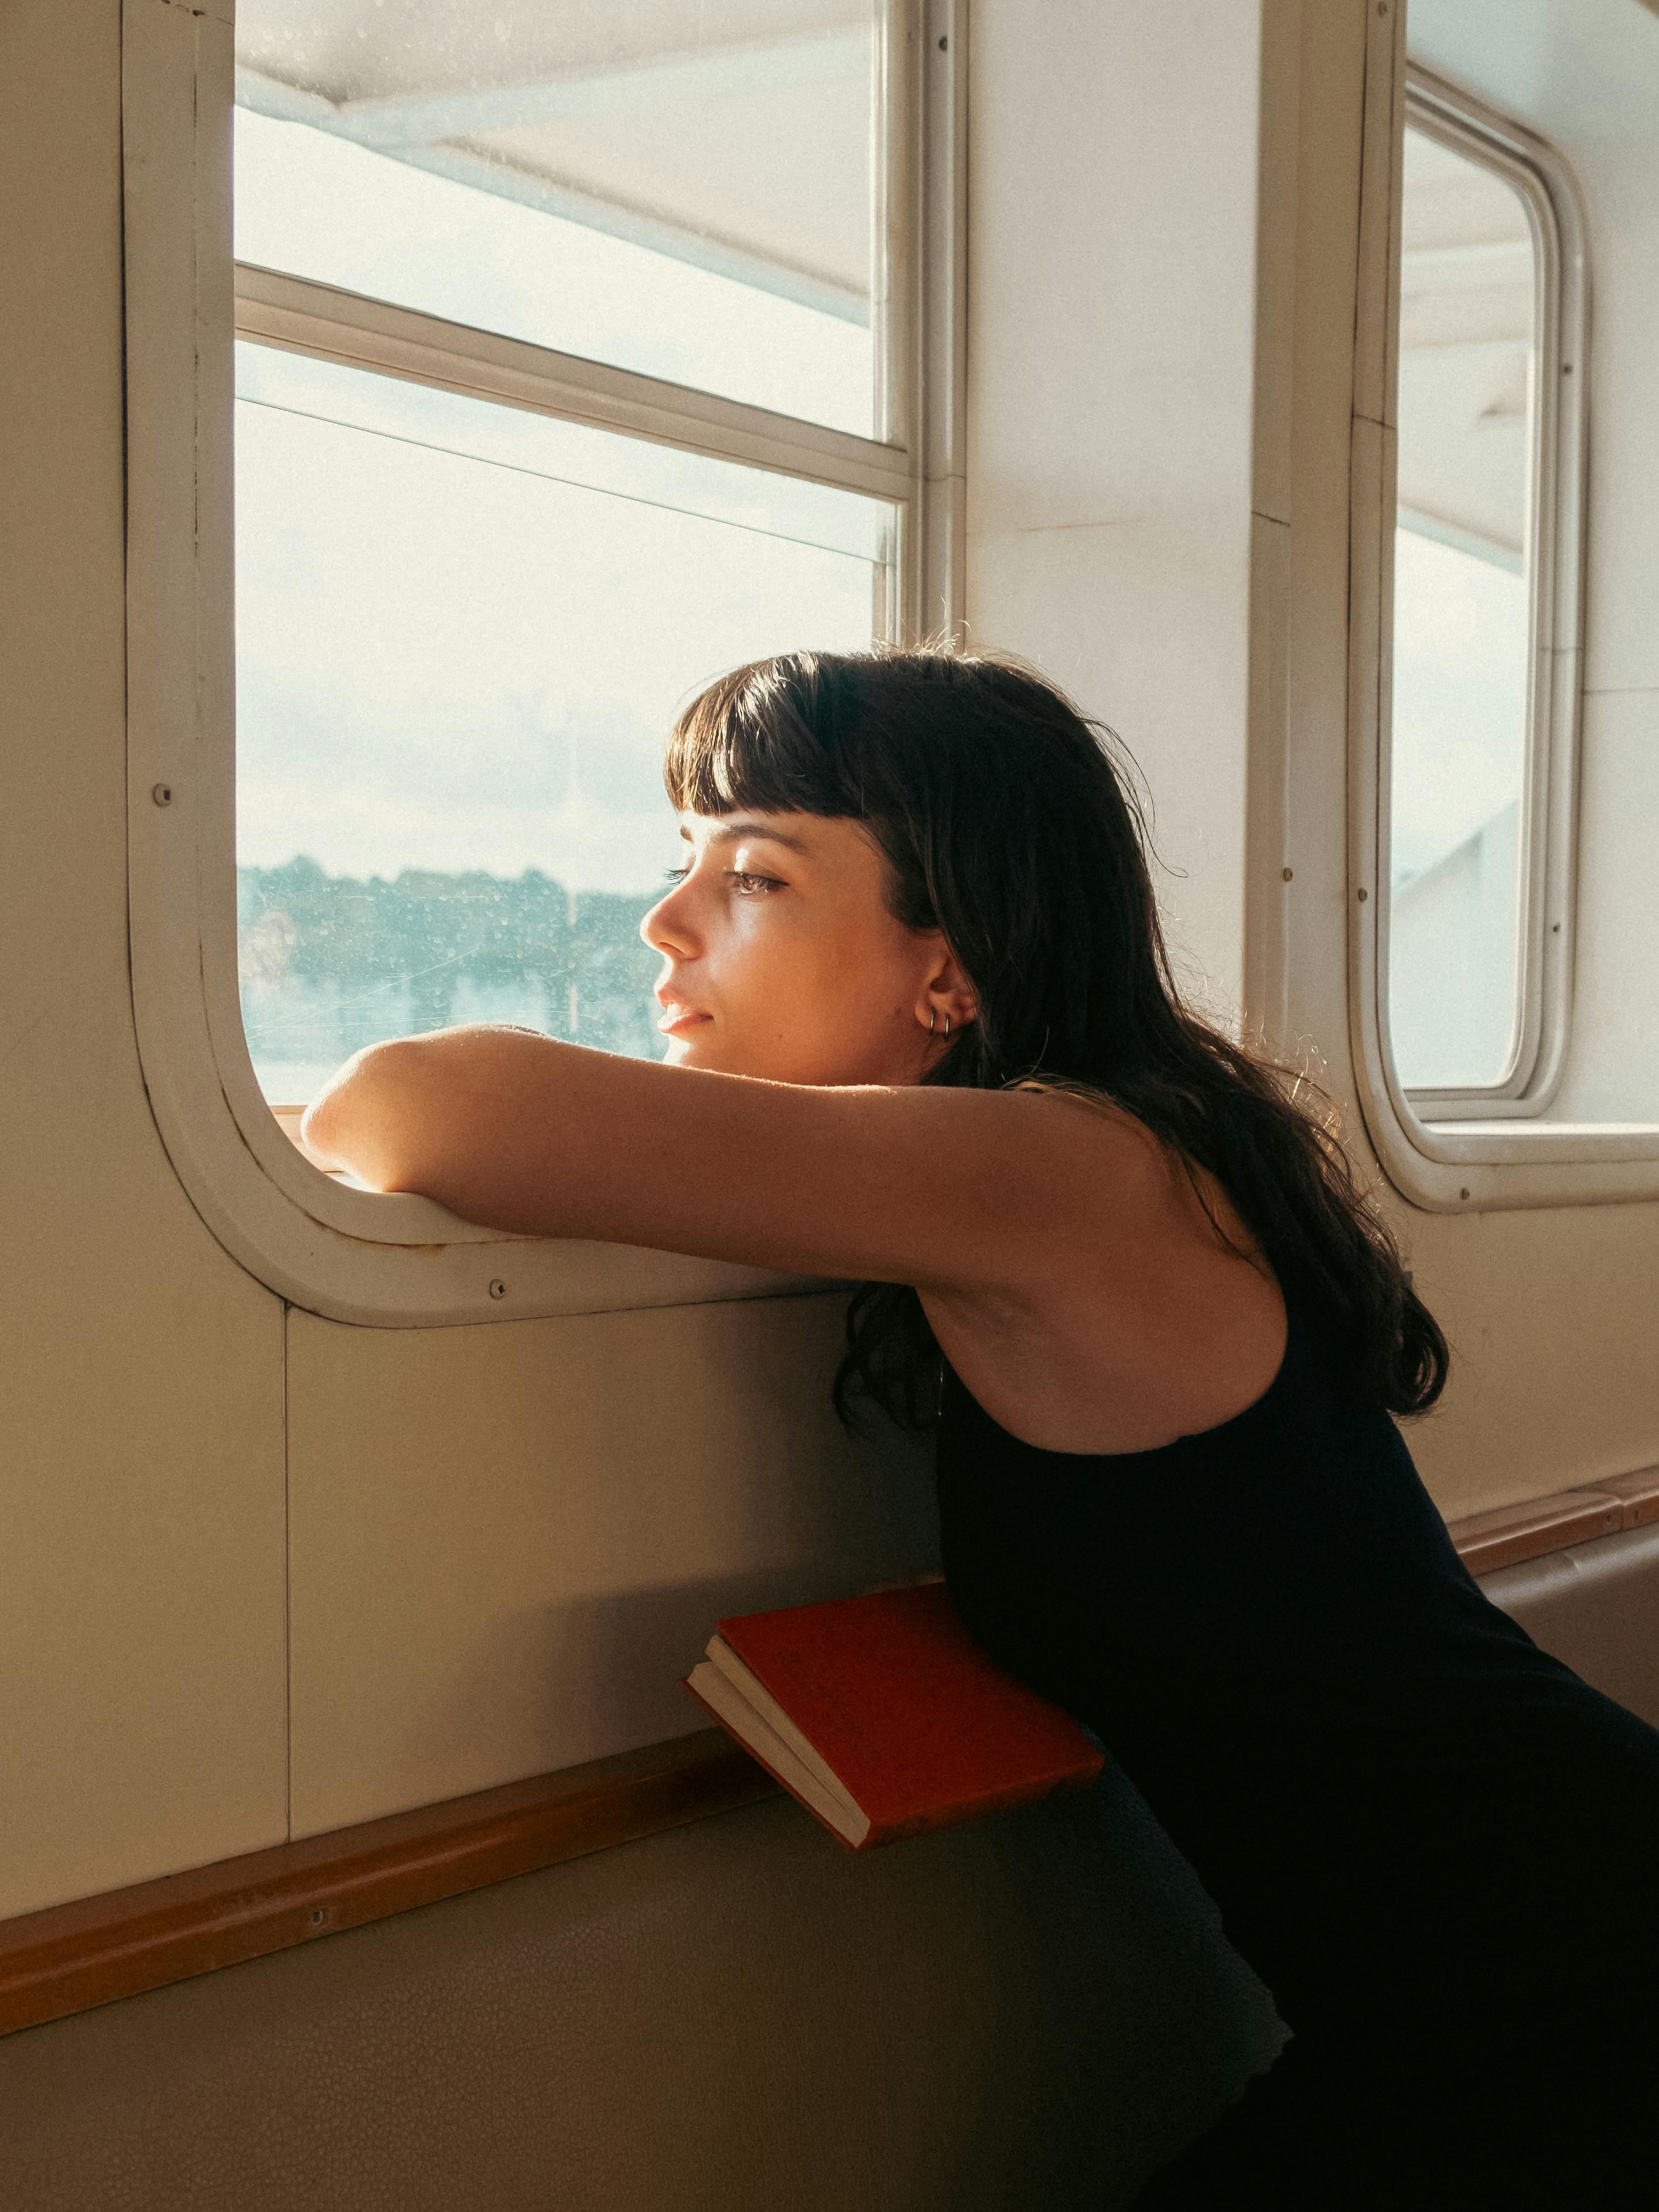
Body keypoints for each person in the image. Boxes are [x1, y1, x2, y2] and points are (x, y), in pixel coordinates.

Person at [303, 647, 1659, 2208]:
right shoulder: (1107, 1153)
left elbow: (412, 1106)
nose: (666, 923)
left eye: (753, 878)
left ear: (948, 967)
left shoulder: (1061, 1169)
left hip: (1568, 1999)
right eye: (683, 864)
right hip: (1489, 1993)